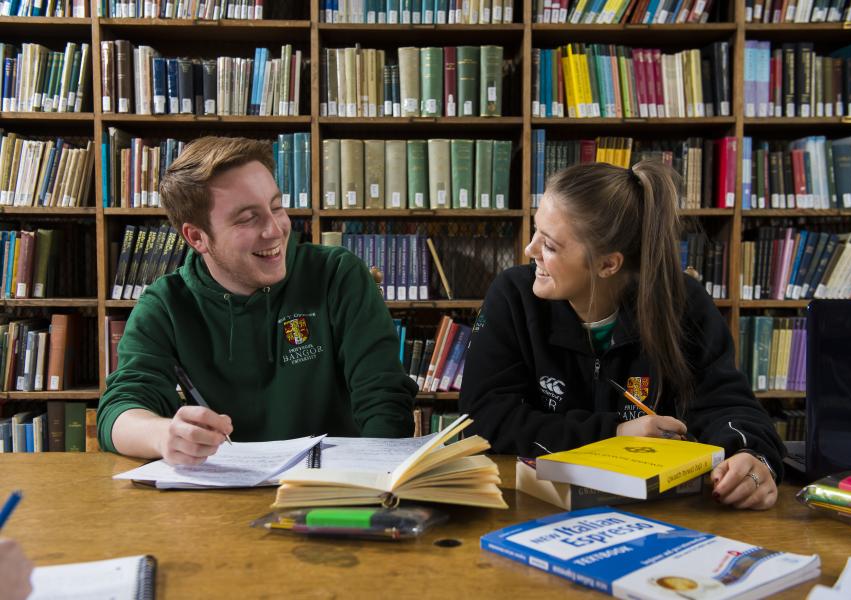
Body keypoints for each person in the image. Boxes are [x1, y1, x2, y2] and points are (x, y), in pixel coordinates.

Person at [460, 161, 785, 510]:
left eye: (550, 246)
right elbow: (481, 419)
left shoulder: (683, 303)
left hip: (664, 512)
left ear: (608, 265)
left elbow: (730, 406)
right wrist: (614, 433)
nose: (530, 250)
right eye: (536, 231)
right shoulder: (514, 296)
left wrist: (754, 458)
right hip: (537, 505)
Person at [98, 137, 417, 465]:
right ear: (197, 237)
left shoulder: (336, 274)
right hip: (220, 496)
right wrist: (164, 435)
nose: (275, 230)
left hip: (331, 489)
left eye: (276, 206)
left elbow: (385, 400)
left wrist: (376, 478)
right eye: (247, 218)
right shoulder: (165, 305)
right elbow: (118, 412)